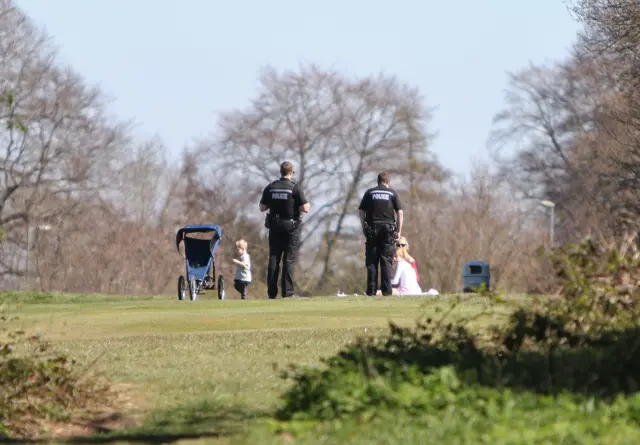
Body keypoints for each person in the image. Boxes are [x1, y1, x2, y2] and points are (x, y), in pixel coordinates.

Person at [259, 161, 310, 299]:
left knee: (274, 259)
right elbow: (305, 208)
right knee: (288, 260)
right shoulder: (294, 188)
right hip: (290, 228)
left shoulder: (271, 187)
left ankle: (271, 293)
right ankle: (287, 293)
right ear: (292, 173)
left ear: (280, 172)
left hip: (274, 227)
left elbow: (262, 207)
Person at [358, 171, 403, 296]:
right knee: (386, 260)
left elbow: (361, 211)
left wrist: (363, 228)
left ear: (377, 181)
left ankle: (371, 292)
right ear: (388, 182)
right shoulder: (392, 193)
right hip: (388, 230)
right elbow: (400, 213)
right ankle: (387, 292)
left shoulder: (370, 192)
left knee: (372, 261)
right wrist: (399, 231)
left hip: (372, 229)